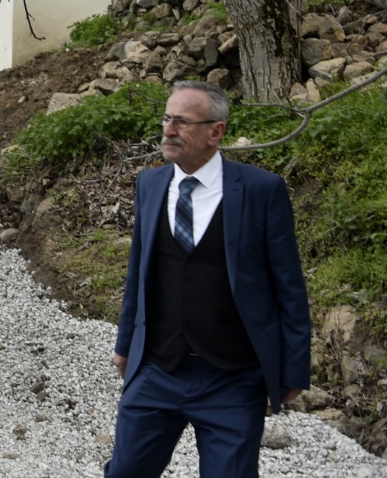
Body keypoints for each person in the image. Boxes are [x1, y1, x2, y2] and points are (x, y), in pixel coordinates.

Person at [105, 81, 311, 478]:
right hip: (157, 370)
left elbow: (289, 285)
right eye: (167, 119)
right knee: (125, 472)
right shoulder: (150, 185)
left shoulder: (261, 190)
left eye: (181, 122)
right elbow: (139, 272)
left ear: (216, 132)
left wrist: (294, 367)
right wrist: (126, 343)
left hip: (232, 380)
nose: (168, 130)